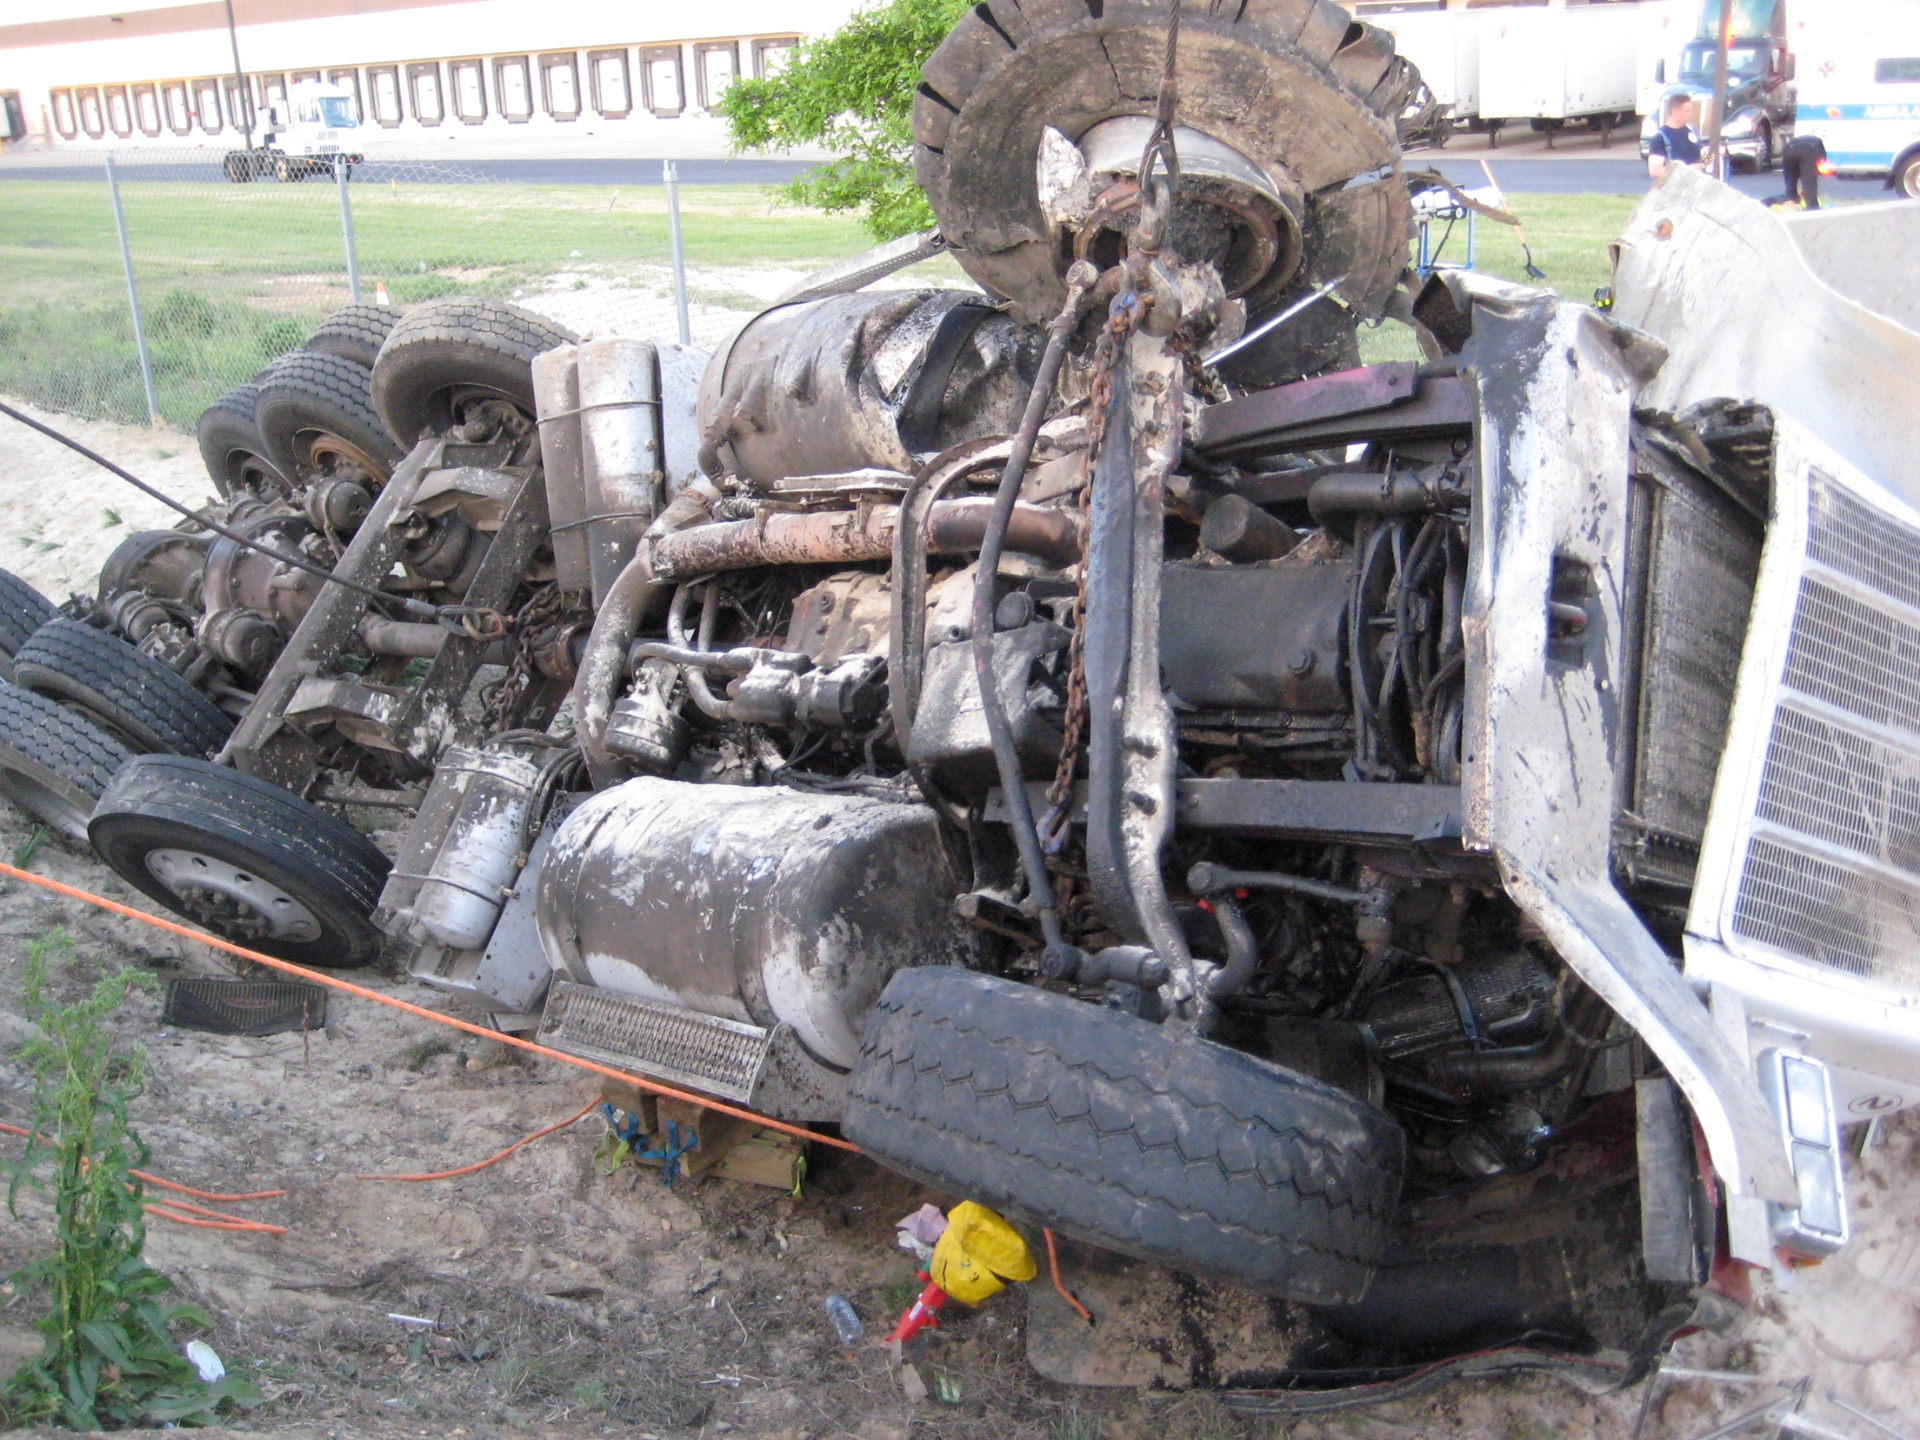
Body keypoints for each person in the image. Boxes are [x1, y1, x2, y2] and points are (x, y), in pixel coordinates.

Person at [1647, 91, 1706, 179]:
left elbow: (1700, 156)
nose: (1691, 114)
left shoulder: (1691, 130)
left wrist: (1707, 159)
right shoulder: (1660, 137)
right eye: (1687, 111)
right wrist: (1686, 170)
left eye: (1691, 110)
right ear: (1674, 112)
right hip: (1675, 188)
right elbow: (1655, 171)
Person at [1765, 134, 1828, 210]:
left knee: (1790, 182)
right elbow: (1822, 162)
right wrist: (1813, 172)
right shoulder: (1818, 143)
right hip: (1810, 149)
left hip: (1789, 149)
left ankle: (1792, 203)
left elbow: (1788, 171)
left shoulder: (1798, 141)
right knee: (1809, 184)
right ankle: (1812, 208)